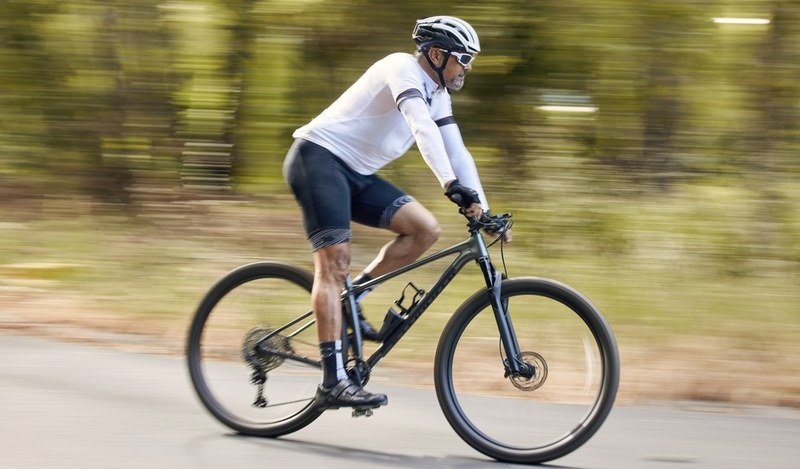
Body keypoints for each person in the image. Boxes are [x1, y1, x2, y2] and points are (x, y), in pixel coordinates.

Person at [284, 15, 510, 410]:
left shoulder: (439, 94)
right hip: (317, 161)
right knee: (334, 265)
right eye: (463, 58)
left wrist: (484, 210)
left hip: (355, 173)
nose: (467, 67)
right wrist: (449, 184)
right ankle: (333, 381)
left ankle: (352, 299)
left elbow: (458, 151)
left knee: (424, 229)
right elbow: (420, 127)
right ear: (436, 54)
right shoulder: (401, 68)